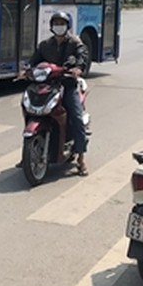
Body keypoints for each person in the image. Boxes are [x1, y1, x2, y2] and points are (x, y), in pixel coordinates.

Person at [24, 11, 90, 176]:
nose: (58, 26)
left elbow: (83, 56)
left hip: (67, 86)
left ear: (67, 26)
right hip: (47, 85)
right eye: (56, 23)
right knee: (28, 107)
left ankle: (81, 158)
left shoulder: (75, 43)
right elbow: (34, 60)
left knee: (76, 117)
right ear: (51, 26)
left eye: (62, 23)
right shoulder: (45, 45)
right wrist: (26, 70)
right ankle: (25, 153)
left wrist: (78, 68)